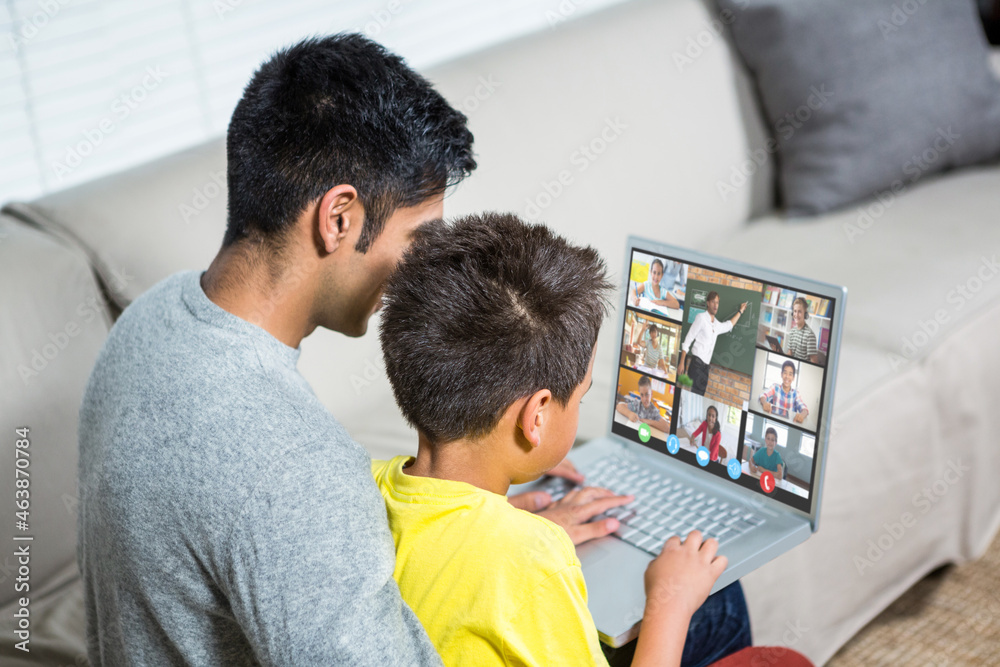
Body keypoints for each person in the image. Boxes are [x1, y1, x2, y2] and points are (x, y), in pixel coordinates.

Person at [75, 35, 616, 666]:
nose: (426, 266)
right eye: (420, 236)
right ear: (338, 218)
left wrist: (487, 542)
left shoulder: (150, 318)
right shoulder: (294, 468)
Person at [373, 213, 750, 666]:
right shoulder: (535, 562)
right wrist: (669, 602)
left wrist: (509, 525)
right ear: (535, 418)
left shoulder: (370, 486)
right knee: (722, 602)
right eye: (581, 398)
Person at [678, 292, 747, 396]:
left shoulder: (716, 324)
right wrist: (682, 362)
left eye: (717, 303)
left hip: (706, 368)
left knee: (700, 396)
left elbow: (729, 325)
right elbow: (688, 339)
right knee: (692, 396)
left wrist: (740, 311)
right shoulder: (701, 318)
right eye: (713, 302)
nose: (715, 305)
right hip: (696, 364)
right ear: (708, 303)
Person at [758, 360, 809, 424]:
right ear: (781, 374)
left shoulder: (796, 393)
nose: (787, 377)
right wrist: (764, 403)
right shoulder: (775, 387)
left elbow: (804, 409)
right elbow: (762, 395)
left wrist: (802, 415)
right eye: (785, 373)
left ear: (793, 378)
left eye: (790, 374)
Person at [784, 297, 819, 363]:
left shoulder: (809, 335)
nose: (796, 315)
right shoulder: (792, 332)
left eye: (799, 311)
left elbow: (814, 362)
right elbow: (790, 353)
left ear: (805, 313)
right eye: (795, 311)